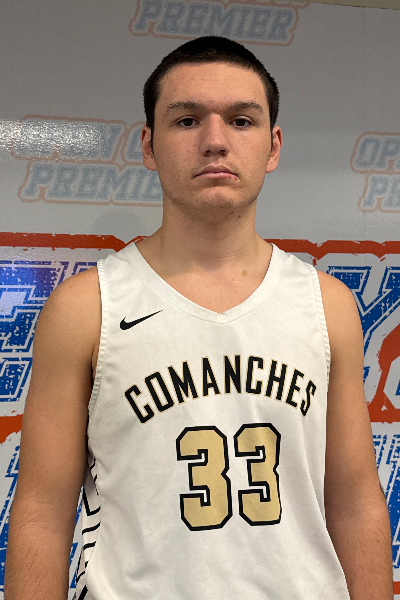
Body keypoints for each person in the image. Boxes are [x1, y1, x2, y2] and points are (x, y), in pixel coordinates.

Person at [5, 36, 393, 600]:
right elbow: (42, 514)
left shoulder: (326, 304)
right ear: (149, 145)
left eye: (241, 120)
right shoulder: (87, 307)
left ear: (273, 146)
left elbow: (355, 504)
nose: (215, 140)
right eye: (186, 120)